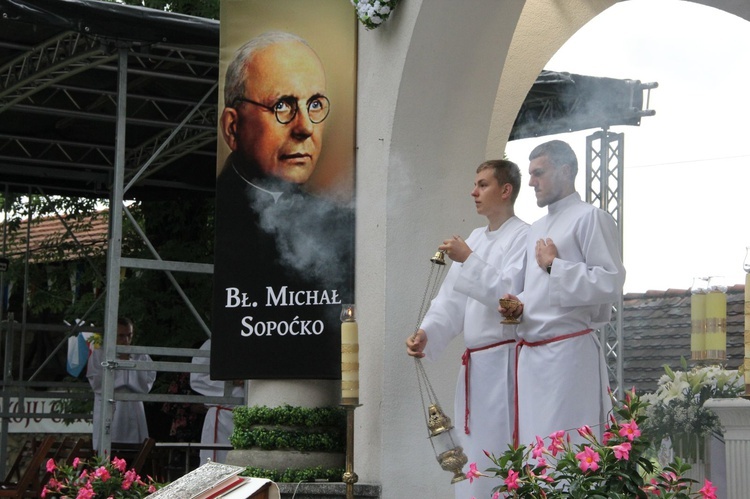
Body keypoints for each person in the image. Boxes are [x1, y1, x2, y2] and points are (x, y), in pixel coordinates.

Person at [212, 31, 354, 381]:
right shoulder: (225, 222)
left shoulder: (341, 224)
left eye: (315, 104)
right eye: (282, 106)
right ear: (233, 127)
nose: (305, 128)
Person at [405, 159, 528, 499]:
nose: (473, 192)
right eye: (475, 184)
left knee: (501, 449)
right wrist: (428, 332)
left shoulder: (524, 236)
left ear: (506, 190)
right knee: (473, 453)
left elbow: (510, 299)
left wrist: (469, 259)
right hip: (475, 369)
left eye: (483, 185)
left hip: (506, 366)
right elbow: (450, 301)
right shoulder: (475, 237)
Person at [501, 139, 626, 450]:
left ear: (566, 170)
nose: (530, 182)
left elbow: (611, 281)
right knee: (535, 452)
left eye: (539, 172)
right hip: (532, 359)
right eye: (530, 173)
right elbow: (540, 291)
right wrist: (521, 304)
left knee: (567, 452)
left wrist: (554, 265)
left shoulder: (590, 217)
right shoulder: (537, 227)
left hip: (567, 357)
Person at [87, 317, 156, 450]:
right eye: (121, 336)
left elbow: (146, 384)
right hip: (111, 408)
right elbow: (97, 384)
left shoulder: (141, 356)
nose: (125, 341)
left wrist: (127, 366)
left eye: (129, 335)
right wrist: (122, 370)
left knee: (136, 450)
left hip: (134, 407)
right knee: (108, 447)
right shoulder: (99, 355)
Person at [190, 339, 245, 464]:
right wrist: (230, 381)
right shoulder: (214, 342)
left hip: (249, 415)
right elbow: (198, 378)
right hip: (222, 418)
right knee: (219, 465)